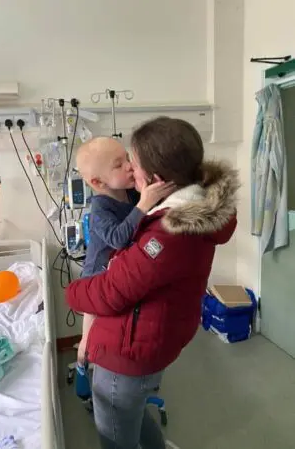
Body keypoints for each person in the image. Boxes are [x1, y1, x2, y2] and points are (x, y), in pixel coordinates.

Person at [66, 117, 239, 449]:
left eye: (132, 162)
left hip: (130, 350)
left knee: (118, 428)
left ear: (157, 178)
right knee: (129, 414)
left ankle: (86, 352)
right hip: (143, 332)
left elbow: (110, 291)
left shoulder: (167, 230)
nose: (131, 170)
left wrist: (70, 294)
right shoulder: (180, 206)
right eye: (123, 163)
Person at [75, 136, 176, 367]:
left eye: (127, 158)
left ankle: (109, 363)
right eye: (119, 165)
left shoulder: (129, 193)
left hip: (116, 273)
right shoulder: (100, 207)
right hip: (96, 279)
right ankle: (83, 369)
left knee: (112, 330)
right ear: (98, 182)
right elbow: (118, 238)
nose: (129, 166)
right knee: (88, 340)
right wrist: (143, 204)